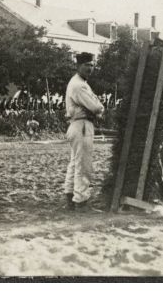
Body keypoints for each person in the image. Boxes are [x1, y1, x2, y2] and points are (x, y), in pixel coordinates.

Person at [63, 52, 104, 211]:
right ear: (78, 66)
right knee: (83, 165)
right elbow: (96, 107)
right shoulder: (79, 85)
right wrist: (98, 110)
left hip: (78, 125)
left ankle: (70, 197)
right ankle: (81, 201)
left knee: (75, 163)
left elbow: (94, 107)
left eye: (92, 65)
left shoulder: (79, 82)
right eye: (87, 65)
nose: (90, 68)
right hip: (82, 126)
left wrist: (95, 110)